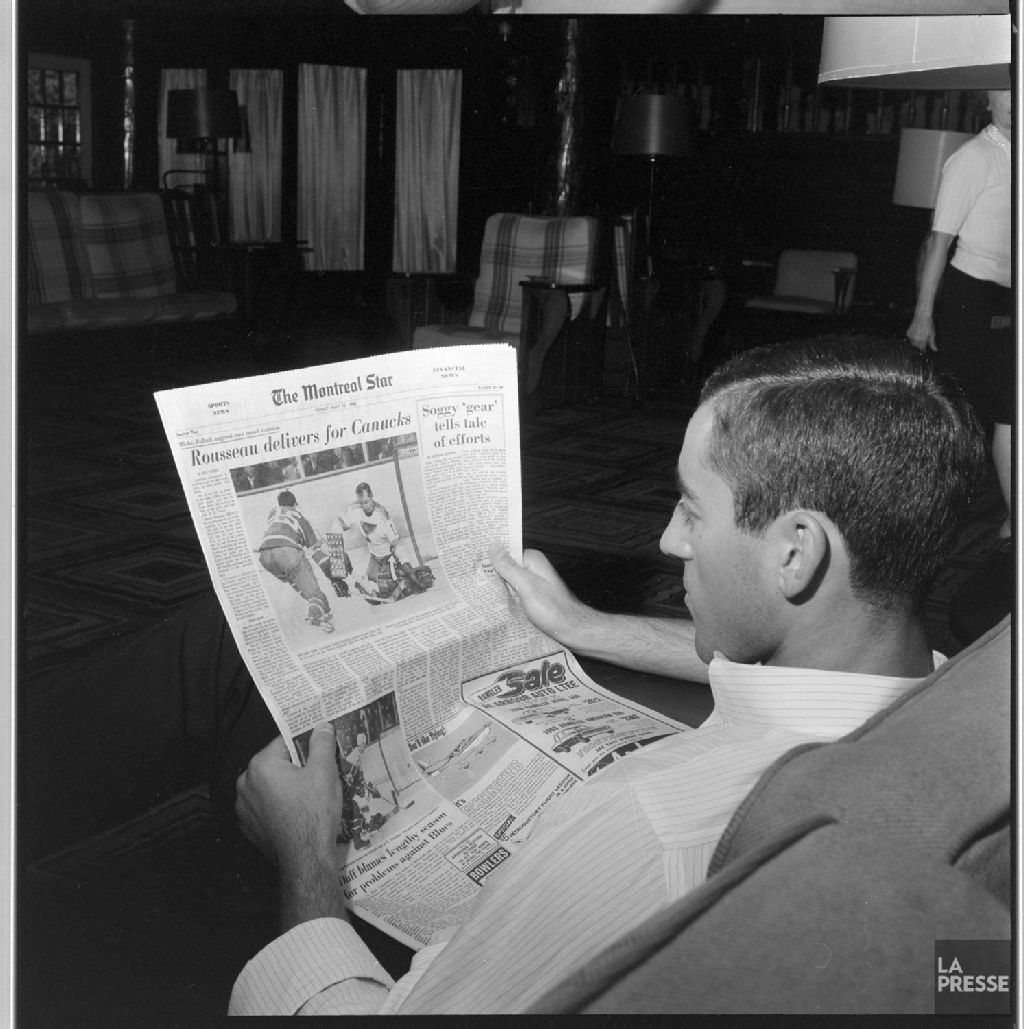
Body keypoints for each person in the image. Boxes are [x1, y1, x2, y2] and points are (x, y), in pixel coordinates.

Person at [230, 336, 985, 1015]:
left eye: (692, 508)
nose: (667, 539)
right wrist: (583, 626)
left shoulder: (649, 823)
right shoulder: (979, 702)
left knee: (227, 684)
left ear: (795, 553)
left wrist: (305, 856)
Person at [906, 89, 1012, 543]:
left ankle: (1014, 522)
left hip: (1010, 299)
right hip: (968, 297)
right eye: (1004, 92)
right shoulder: (973, 158)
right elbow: (938, 242)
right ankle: (928, 519)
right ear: (986, 100)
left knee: (1011, 412)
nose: (1015, 99)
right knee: (959, 417)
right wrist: (923, 314)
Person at [256, 490, 350, 631]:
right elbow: (316, 549)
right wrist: (335, 578)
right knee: (313, 592)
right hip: (288, 553)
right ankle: (315, 613)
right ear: (295, 504)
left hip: (265, 557)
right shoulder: (299, 516)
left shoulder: (273, 513)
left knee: (301, 584)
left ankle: (324, 609)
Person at [329, 483, 403, 599]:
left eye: (366, 502)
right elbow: (336, 524)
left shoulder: (381, 513)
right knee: (370, 586)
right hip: (375, 556)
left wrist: (400, 561)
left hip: (387, 556)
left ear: (371, 496)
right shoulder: (355, 509)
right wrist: (337, 569)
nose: (364, 506)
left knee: (386, 585)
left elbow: (395, 542)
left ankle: (388, 580)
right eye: (361, 503)